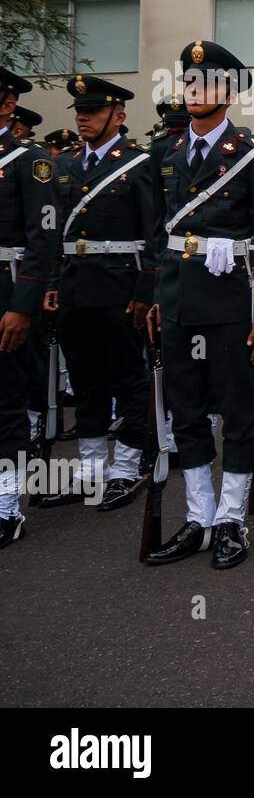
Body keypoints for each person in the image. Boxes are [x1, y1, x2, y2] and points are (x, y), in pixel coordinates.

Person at [143, 42, 254, 569]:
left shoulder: (251, 157)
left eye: (208, 83)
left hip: (230, 305)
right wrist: (158, 295)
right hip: (180, 300)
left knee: (239, 411)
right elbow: (161, 235)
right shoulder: (167, 154)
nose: (195, 91)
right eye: (190, 82)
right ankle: (198, 516)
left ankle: (230, 518)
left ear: (228, 94)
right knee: (187, 411)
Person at [42, 75, 155, 512]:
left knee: (128, 377)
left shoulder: (138, 163)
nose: (83, 119)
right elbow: (53, 232)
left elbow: (153, 233)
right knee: (87, 382)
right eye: (80, 112)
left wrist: (146, 289)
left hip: (122, 285)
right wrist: (53, 282)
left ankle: (126, 468)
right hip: (75, 284)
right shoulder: (66, 165)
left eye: (92, 112)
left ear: (119, 116)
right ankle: (90, 470)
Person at [0, 69, 59, 548]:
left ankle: (5, 504)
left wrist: (25, 305)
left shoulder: (29, 161)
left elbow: (43, 238)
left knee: (6, 402)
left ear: (7, 104)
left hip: (7, 289)